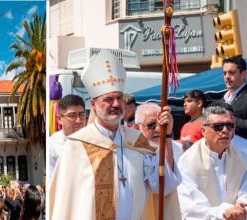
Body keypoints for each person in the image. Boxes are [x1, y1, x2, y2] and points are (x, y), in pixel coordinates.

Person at [49, 50, 181, 220]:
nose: (116, 104)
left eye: (119, 98)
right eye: (109, 99)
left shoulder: (137, 141)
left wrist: (167, 137)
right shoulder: (77, 145)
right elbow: (64, 205)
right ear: (94, 104)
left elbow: (164, 185)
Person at [177, 105, 247, 219]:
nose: (225, 130)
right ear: (203, 131)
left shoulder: (242, 154)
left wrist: (241, 208)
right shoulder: (187, 161)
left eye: (229, 126)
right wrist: (225, 213)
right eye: (218, 127)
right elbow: (191, 207)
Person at [48, 94, 86, 181]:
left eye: (82, 115)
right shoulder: (52, 145)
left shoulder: (94, 141)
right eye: (72, 116)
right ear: (59, 119)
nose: (78, 121)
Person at [221, 56, 247, 139]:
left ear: (243, 74)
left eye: (231, 72)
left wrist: (230, 119)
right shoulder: (222, 99)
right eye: (224, 73)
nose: (227, 76)